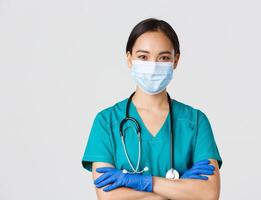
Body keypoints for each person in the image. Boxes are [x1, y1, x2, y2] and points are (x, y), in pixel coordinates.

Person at [81, 18, 223, 200]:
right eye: (143, 57)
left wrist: (144, 182)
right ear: (129, 58)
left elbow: (209, 194)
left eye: (163, 58)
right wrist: (179, 188)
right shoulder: (106, 121)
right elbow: (108, 197)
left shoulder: (195, 121)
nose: (153, 65)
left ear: (176, 60)